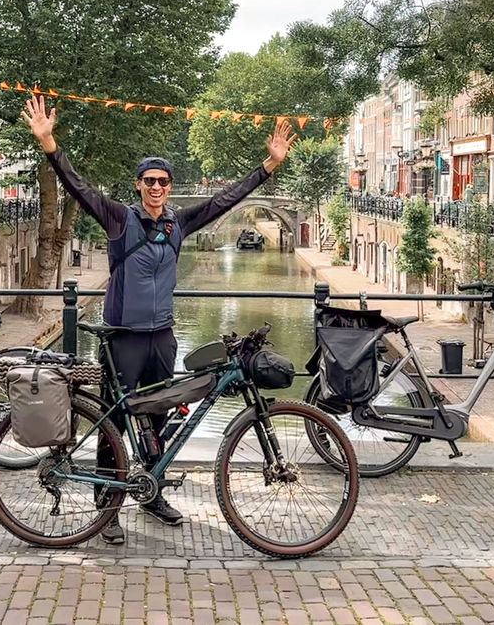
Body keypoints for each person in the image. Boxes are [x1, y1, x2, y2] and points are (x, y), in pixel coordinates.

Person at [21, 94, 296, 544]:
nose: (156, 187)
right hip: (123, 338)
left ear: (169, 188)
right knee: (114, 426)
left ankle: (152, 494)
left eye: (163, 182)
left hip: (162, 337)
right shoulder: (118, 219)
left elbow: (224, 200)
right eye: (149, 181)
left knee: (158, 420)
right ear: (138, 185)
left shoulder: (178, 224)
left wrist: (269, 165)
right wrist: (49, 144)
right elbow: (79, 188)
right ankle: (107, 509)